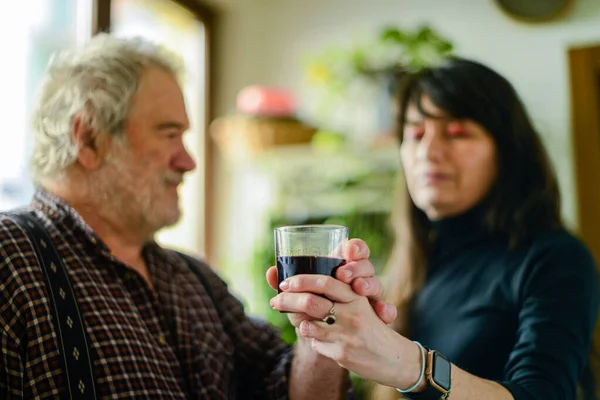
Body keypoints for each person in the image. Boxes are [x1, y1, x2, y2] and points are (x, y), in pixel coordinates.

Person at [0, 33, 397, 399]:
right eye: (169, 133)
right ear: (88, 139)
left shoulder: (195, 280)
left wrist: (323, 323)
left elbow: (292, 392)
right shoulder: (10, 261)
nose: (188, 161)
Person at [269, 58, 600, 400]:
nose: (428, 150)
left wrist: (412, 367)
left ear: (508, 150)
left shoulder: (555, 259)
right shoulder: (411, 263)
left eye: (456, 133)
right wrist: (323, 329)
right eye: (415, 134)